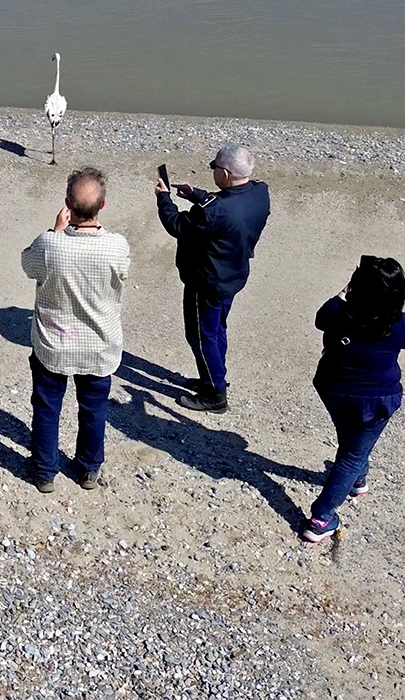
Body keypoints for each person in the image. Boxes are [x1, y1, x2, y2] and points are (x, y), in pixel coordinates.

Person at [21, 167, 131, 492]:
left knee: (46, 407)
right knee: (94, 408)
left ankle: (44, 472)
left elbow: (27, 264)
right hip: (98, 344)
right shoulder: (116, 246)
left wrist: (54, 231)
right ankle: (88, 469)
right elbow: (122, 273)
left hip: (54, 343)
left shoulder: (49, 245)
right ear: (103, 205)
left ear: (67, 204)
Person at [300, 257, 405, 544]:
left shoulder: (338, 312)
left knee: (351, 442)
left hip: (334, 390)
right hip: (377, 398)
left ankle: (358, 480)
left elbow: (320, 318)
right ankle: (322, 518)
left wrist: (346, 292)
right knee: (351, 455)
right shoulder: (401, 325)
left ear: (357, 287)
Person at [155, 143, 271, 413]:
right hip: (233, 275)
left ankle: (215, 395)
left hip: (205, 282)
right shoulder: (260, 192)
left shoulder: (214, 212)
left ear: (226, 174)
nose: (212, 171)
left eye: (214, 167)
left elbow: (177, 225)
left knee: (200, 335)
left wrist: (164, 198)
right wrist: (196, 194)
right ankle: (214, 376)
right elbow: (225, 205)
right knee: (217, 329)